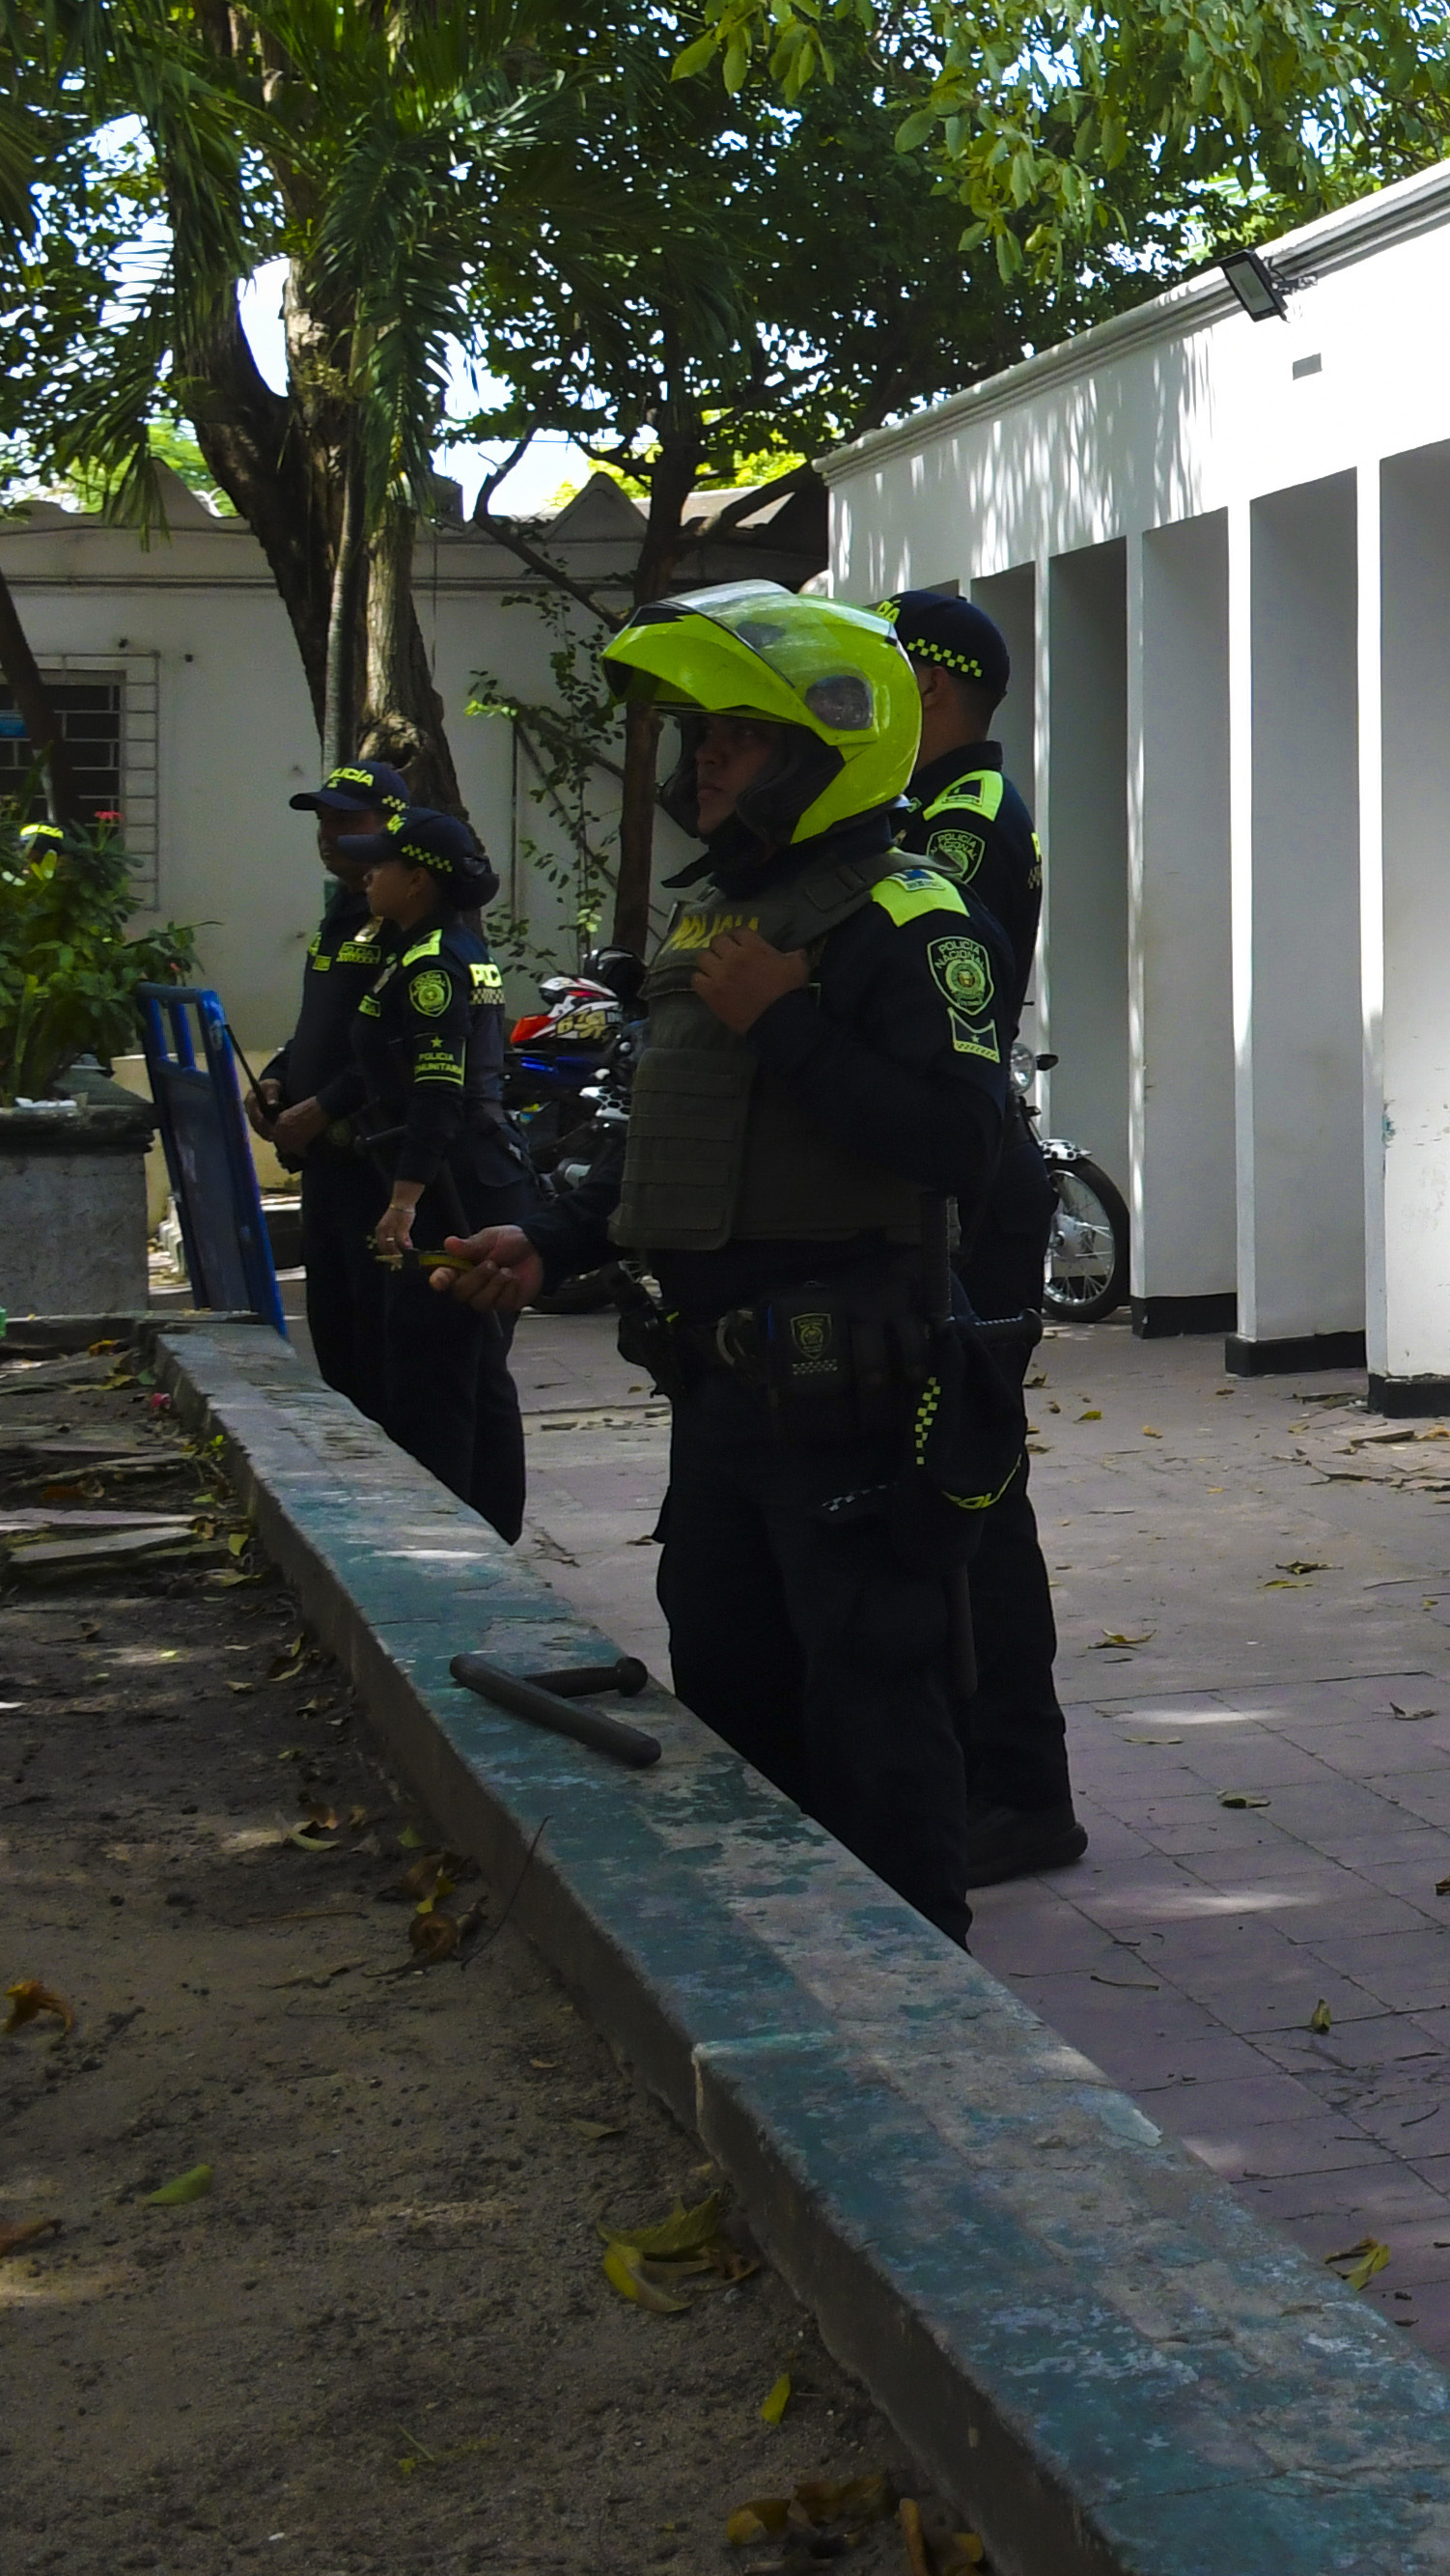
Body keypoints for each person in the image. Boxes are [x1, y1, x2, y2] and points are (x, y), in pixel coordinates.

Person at [427, 584, 1021, 1938]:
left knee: (875, 1707)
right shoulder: (726, 920)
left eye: (737, 739)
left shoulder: (908, 918)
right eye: (703, 737)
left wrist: (793, 1027)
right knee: (735, 1688)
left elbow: (962, 1149)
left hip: (850, 1397)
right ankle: (798, 1970)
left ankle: (922, 2002)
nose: (706, 763)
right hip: (719, 1397)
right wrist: (550, 1236)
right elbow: (673, 1139)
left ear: (827, 746)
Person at [887, 585, 1082, 1886]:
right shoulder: (928, 815)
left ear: (938, 691)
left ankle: (1020, 1785)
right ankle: (968, 1764)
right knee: (941, 1489)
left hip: (976, 1193)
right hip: (954, 1184)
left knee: (976, 1491)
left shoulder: (962, 826)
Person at [330, 804, 530, 1535]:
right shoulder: (447, 947)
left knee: (435, 1369)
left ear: (419, 880)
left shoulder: (431, 964)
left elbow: (437, 1093)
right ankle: (491, 1527)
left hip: (453, 1185)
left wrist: (404, 1200)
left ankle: (448, 1539)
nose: (367, 872)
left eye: (382, 862)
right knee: (473, 1368)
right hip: (474, 1171)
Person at [254, 763, 404, 1418]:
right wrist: (280, 1077)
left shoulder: (408, 916)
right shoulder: (345, 910)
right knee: (337, 1342)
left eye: (347, 819)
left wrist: (327, 1105)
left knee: (385, 1351)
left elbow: (400, 1044)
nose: (329, 834)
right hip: (325, 1165)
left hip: (380, 1163)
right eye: (323, 821)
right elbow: (324, 1023)